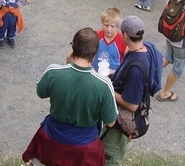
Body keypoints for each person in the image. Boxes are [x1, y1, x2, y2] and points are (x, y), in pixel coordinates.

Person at [22, 28, 118, 166]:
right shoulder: (103, 84)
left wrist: (66, 65)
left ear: (73, 47)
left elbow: (41, 93)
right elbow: (110, 122)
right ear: (95, 53)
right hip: (84, 148)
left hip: (51, 140)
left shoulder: (53, 72)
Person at [101, 16, 162, 165]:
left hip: (121, 122)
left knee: (109, 157)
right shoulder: (147, 48)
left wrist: (107, 88)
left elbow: (132, 105)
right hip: (122, 107)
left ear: (126, 36)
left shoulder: (136, 70)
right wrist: (113, 73)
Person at [92, 8, 126, 75]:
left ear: (118, 26)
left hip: (114, 77)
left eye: (112, 26)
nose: (109, 29)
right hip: (95, 73)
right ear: (102, 23)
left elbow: (126, 65)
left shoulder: (123, 41)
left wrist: (113, 72)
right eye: (106, 25)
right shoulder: (95, 36)